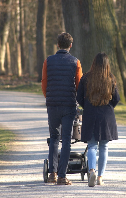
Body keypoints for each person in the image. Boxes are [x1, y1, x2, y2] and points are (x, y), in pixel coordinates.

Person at [41, 32, 83, 185]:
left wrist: (49, 97)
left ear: (57, 44)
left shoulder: (48, 61)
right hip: (69, 105)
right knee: (66, 140)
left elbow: (44, 83)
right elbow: (79, 85)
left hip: (52, 105)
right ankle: (62, 176)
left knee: (53, 138)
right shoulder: (75, 62)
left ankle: (52, 173)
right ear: (70, 45)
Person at [76, 52, 120, 187]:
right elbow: (116, 99)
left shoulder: (86, 78)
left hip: (90, 114)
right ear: (107, 65)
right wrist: (108, 106)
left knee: (92, 146)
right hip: (106, 115)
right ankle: (100, 176)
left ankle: (91, 170)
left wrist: (87, 106)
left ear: (94, 64)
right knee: (104, 147)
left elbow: (79, 97)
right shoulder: (111, 79)